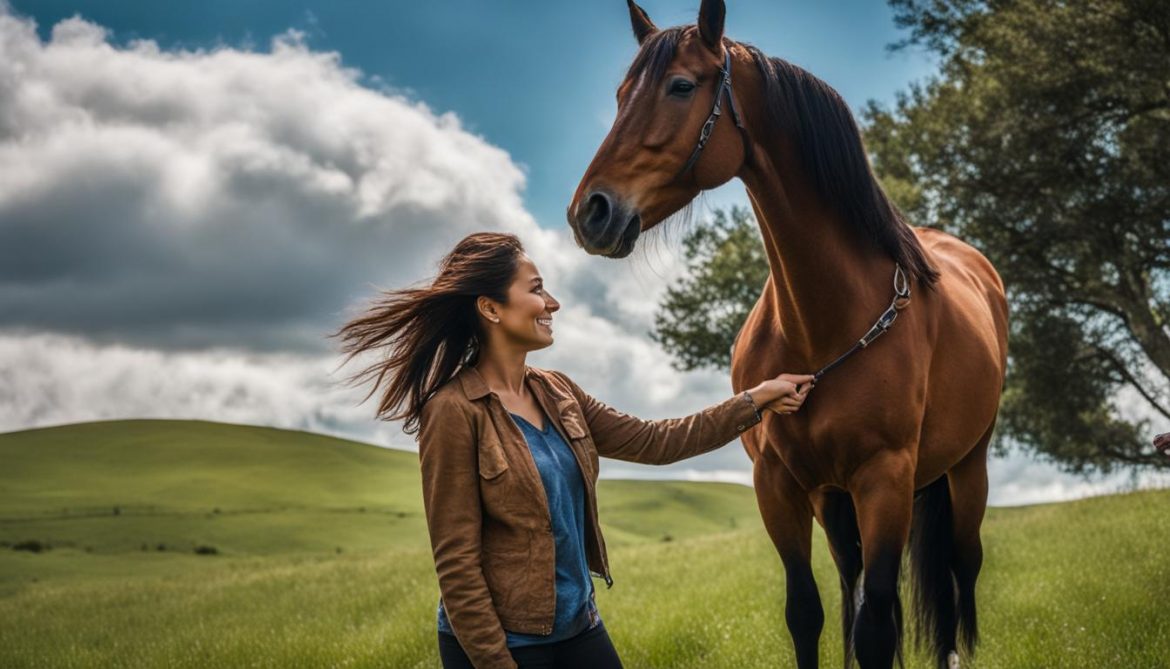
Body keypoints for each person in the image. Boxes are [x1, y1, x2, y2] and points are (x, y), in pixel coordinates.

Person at [335, 232, 813, 669]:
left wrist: (756, 398)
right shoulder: (453, 411)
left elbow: (656, 440)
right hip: (504, 644)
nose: (553, 303)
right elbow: (457, 562)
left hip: (579, 627)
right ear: (491, 308)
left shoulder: (559, 391)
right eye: (537, 289)